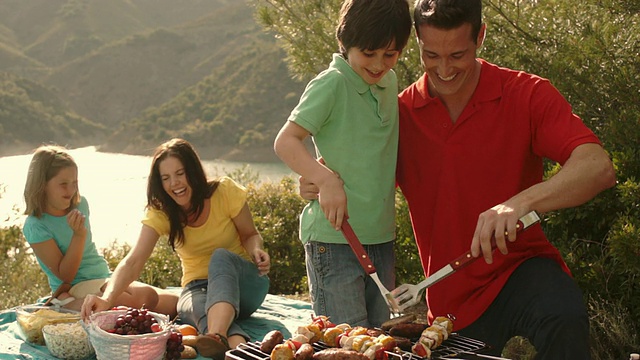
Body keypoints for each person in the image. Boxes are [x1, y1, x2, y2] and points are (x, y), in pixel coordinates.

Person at [301, 0, 617, 357]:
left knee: (564, 313)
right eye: (431, 55)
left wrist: (520, 202)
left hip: (520, 270)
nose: (444, 69)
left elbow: (597, 166)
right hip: (449, 298)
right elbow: (362, 182)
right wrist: (321, 179)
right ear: (416, 42)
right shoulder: (397, 116)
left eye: (457, 55)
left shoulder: (527, 93)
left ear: (480, 36)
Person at [273, 0, 412, 328]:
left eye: (390, 55)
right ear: (345, 41)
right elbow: (286, 141)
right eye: (369, 52)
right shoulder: (332, 83)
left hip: (381, 237)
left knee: (381, 342)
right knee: (345, 342)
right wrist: (324, 180)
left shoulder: (389, 83)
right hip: (335, 241)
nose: (379, 64)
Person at [81, 138, 270, 360]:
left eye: (180, 173)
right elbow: (133, 260)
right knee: (188, 304)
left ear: (193, 171)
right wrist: (108, 299)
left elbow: (250, 235)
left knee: (219, 257)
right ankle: (239, 351)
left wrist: (257, 249)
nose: (175, 183)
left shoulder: (225, 191)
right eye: (166, 178)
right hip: (198, 288)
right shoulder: (162, 213)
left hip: (243, 283)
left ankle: (216, 335)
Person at [22, 145, 178, 317]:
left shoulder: (81, 204)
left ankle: (80, 307)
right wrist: (79, 235)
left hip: (102, 276)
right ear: (42, 185)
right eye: (63, 184)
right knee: (146, 296)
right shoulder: (36, 225)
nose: (71, 190)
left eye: (74, 183)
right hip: (75, 285)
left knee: (174, 303)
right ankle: (65, 305)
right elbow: (66, 275)